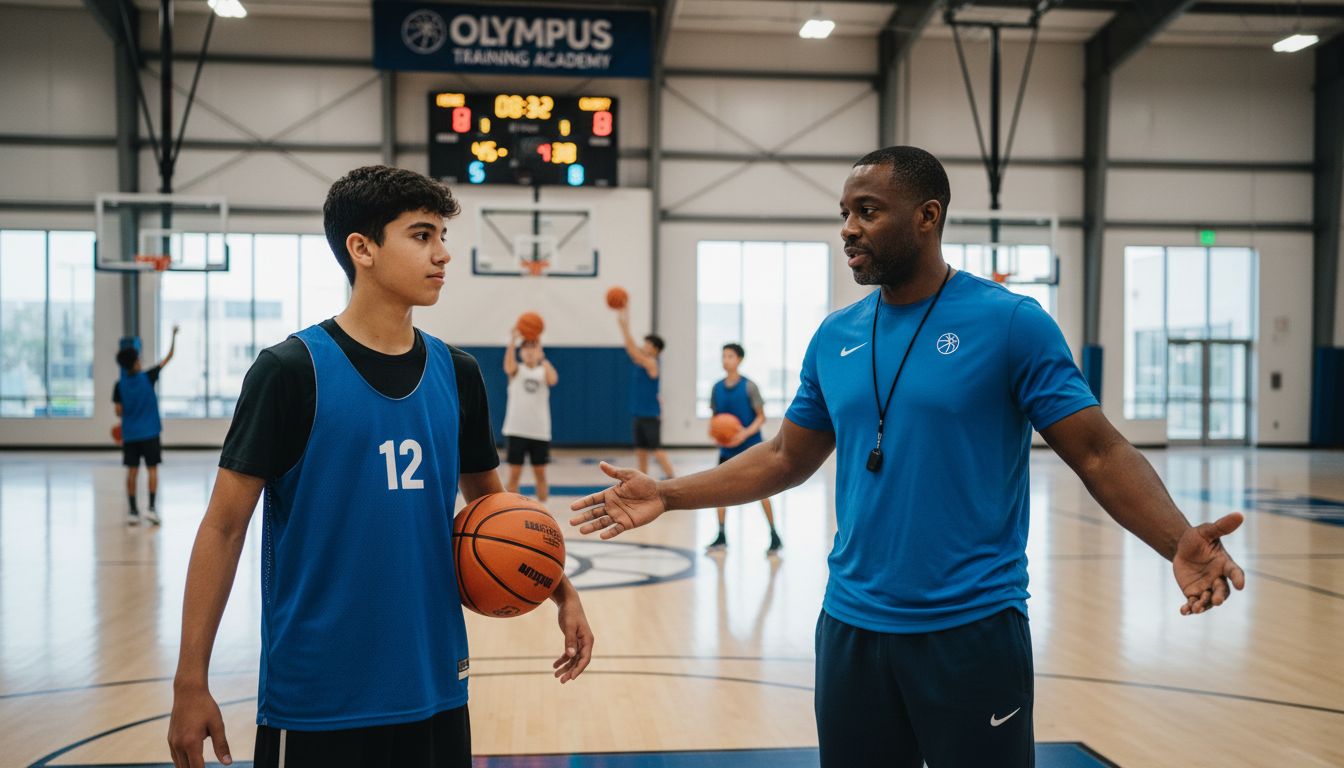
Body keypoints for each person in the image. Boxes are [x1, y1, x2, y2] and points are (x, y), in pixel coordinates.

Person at [570, 146, 1245, 768]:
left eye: (868, 211)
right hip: (851, 630)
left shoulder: (1011, 323)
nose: (848, 229)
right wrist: (668, 492)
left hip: (973, 630)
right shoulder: (834, 336)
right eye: (844, 214)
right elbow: (783, 458)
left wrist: (1177, 539)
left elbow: (1099, 453)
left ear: (928, 217)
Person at [167, 166, 594, 768]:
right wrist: (190, 681)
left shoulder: (459, 375)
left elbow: (497, 516)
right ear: (361, 249)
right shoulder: (290, 371)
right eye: (422, 235)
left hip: (435, 684)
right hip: (318, 695)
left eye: (442, 236)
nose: (443, 254)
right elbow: (223, 527)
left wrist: (561, 591)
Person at [705, 343, 781, 554]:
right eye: (723, 356)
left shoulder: (749, 386)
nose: (725, 360)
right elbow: (716, 418)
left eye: (730, 356)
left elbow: (761, 417)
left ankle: (774, 535)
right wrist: (715, 432)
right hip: (726, 450)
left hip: (751, 448)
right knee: (719, 493)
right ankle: (721, 535)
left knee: (762, 492)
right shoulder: (716, 388)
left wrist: (744, 434)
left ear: (739, 359)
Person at [113, 324, 178, 526]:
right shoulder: (148, 377)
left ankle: (133, 511)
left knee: (132, 472)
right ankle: (151, 509)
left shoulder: (119, 385)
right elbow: (169, 357)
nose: (141, 361)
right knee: (152, 470)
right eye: (139, 359)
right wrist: (173, 336)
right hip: (150, 433)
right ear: (134, 364)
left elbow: (118, 411)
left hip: (131, 435)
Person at [615, 306, 674, 479]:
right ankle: (643, 480)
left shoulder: (651, 363)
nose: (645, 345)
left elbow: (632, 350)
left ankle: (673, 477)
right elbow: (632, 349)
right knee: (641, 451)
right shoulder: (642, 361)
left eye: (648, 344)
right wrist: (624, 316)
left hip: (650, 415)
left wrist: (624, 326)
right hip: (639, 414)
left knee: (656, 449)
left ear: (655, 349)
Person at [502, 327, 559, 501]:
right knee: (514, 474)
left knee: (540, 474)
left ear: (539, 350)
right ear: (520, 352)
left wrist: (543, 359)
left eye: (533, 347)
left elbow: (553, 380)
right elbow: (508, 366)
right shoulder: (517, 370)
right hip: (516, 430)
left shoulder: (544, 371)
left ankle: (544, 511)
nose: (529, 351)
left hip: (539, 432)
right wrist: (512, 341)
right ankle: (511, 512)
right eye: (525, 348)